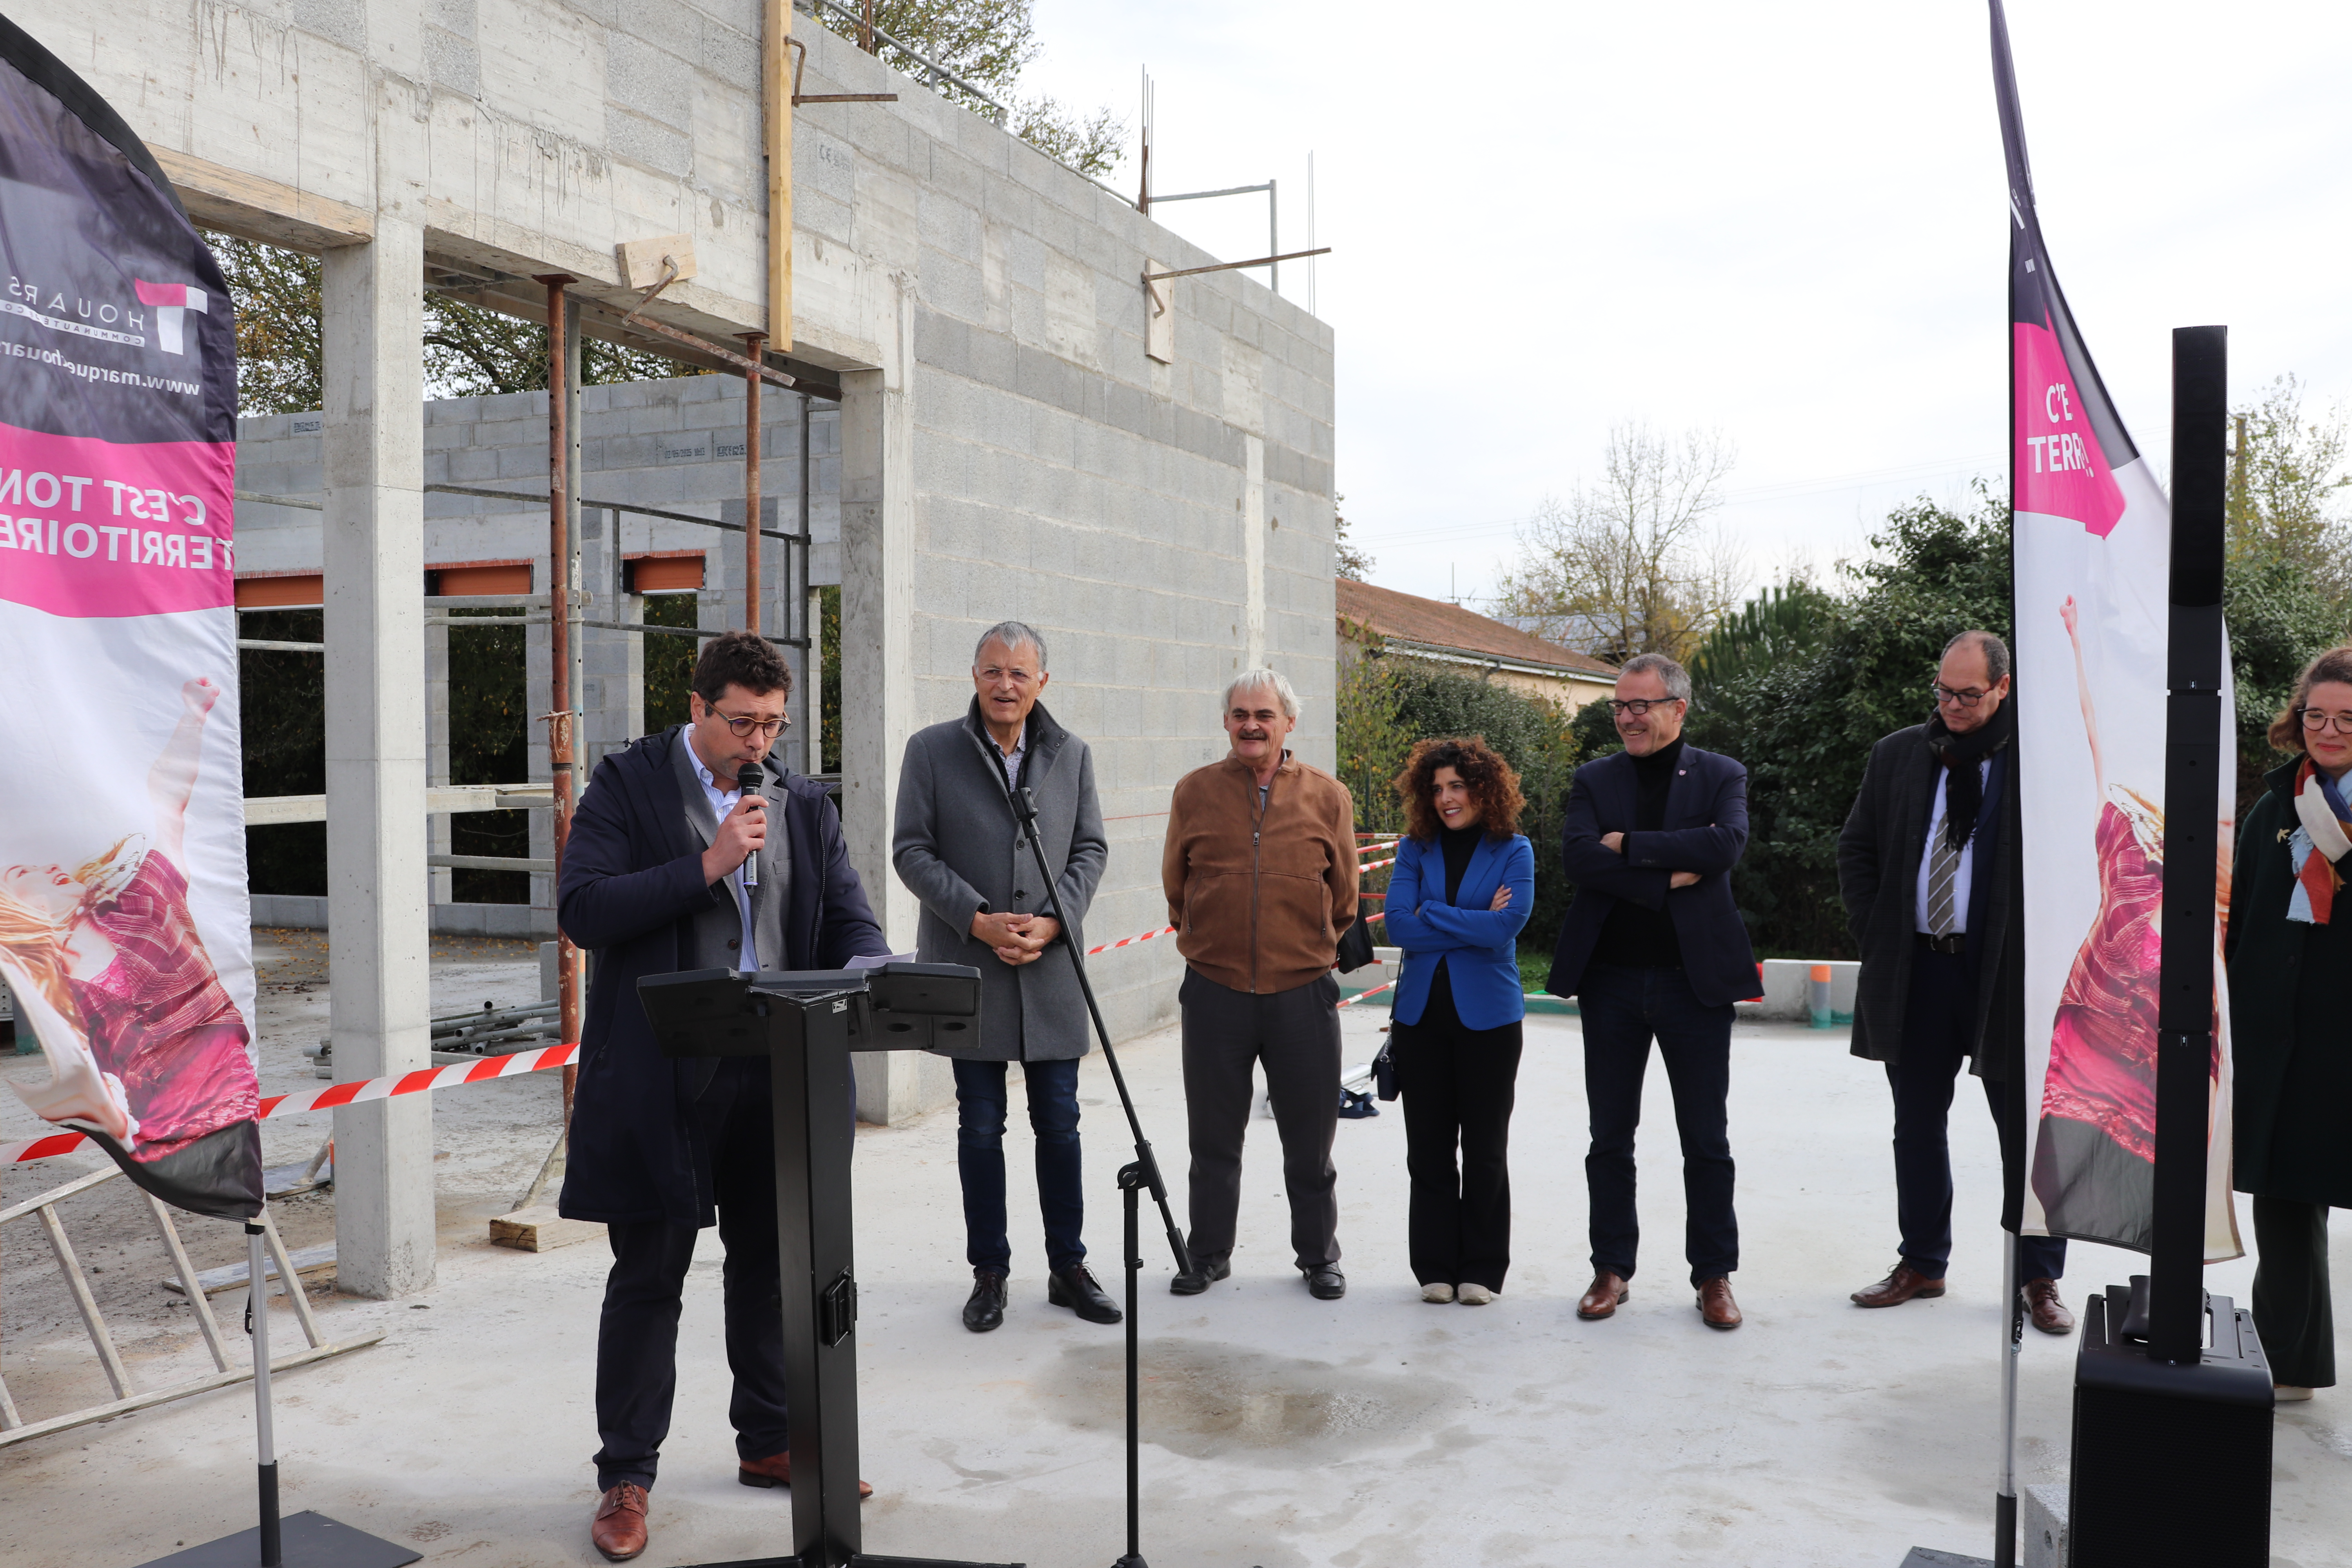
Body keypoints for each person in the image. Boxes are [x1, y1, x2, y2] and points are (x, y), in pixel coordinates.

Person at [557, 630, 887, 1563]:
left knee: (772, 1262)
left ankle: (773, 1438)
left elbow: (841, 910)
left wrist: (874, 962)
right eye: (741, 721)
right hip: (666, 1069)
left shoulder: (799, 799)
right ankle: (626, 1473)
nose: (758, 741)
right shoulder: (627, 786)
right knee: (650, 1274)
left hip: (775, 1061)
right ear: (698, 708)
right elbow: (584, 909)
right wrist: (707, 863)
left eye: (773, 724)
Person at [1837, 630, 2072, 1332]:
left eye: (1969, 694)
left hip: (2007, 974)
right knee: (1915, 1124)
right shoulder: (1900, 755)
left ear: (2004, 689)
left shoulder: (2039, 760)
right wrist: (1876, 932)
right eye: (1944, 692)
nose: (1953, 706)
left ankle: (2039, 1278)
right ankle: (1923, 1263)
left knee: (2025, 1132)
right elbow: (1857, 847)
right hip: (1917, 966)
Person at [892, 620, 1120, 1333]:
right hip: (973, 968)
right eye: (993, 671)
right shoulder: (931, 751)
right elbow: (910, 851)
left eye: (1020, 674)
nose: (1006, 685)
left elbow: (1091, 849)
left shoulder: (1072, 754)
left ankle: (1068, 1267)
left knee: (1061, 1123)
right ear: (974, 675)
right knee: (980, 1127)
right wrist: (978, 918)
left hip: (1051, 971)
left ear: (1041, 683)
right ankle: (989, 1273)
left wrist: (1054, 922)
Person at [1, 675, 261, 1216]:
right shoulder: (58, 995)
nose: (51, 866)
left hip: (228, 1112)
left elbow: (166, 799)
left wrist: (192, 716)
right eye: (29, 870)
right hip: (164, 1135)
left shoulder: (146, 898)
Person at [1548, 652, 1752, 1330]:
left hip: (1694, 988)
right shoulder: (1595, 778)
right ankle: (1611, 1269)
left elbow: (1724, 847)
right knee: (1609, 1137)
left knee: (1707, 1140)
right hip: (1609, 983)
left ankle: (1714, 1277)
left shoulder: (1722, 774)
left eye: (1641, 705)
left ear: (1678, 708)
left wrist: (1629, 846)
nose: (1629, 718)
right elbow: (1579, 858)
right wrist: (1667, 873)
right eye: (1620, 706)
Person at [1161, 668, 1359, 1300]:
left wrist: (1302, 948)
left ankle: (1318, 1257)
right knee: (1213, 1140)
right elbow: (1175, 884)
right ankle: (1209, 1254)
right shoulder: (1194, 792)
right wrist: (1206, 934)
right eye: (1241, 714)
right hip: (1215, 990)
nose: (1252, 725)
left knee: (1310, 1144)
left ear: (1288, 723)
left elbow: (1345, 897)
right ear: (1226, 722)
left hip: (1302, 993)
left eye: (1265, 715)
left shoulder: (1329, 796)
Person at [2226, 643, 2352, 1403]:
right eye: (2317, 714)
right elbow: (2242, 917)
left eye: (2346, 718)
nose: (2329, 730)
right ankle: (2290, 1360)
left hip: (2346, 1030)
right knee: (2284, 1193)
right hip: (2280, 1032)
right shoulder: (2278, 804)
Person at [1381, 737, 1535, 1305]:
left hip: (1490, 1021)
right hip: (1421, 1019)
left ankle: (1483, 1269)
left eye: (1458, 786)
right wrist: (1469, 918)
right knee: (1428, 1149)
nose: (1447, 798)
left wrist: (1436, 914)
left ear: (1483, 789)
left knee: (1486, 1148)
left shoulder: (1514, 850)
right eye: (1438, 788)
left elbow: (1505, 928)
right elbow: (1398, 927)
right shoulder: (1414, 850)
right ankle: (1435, 1269)